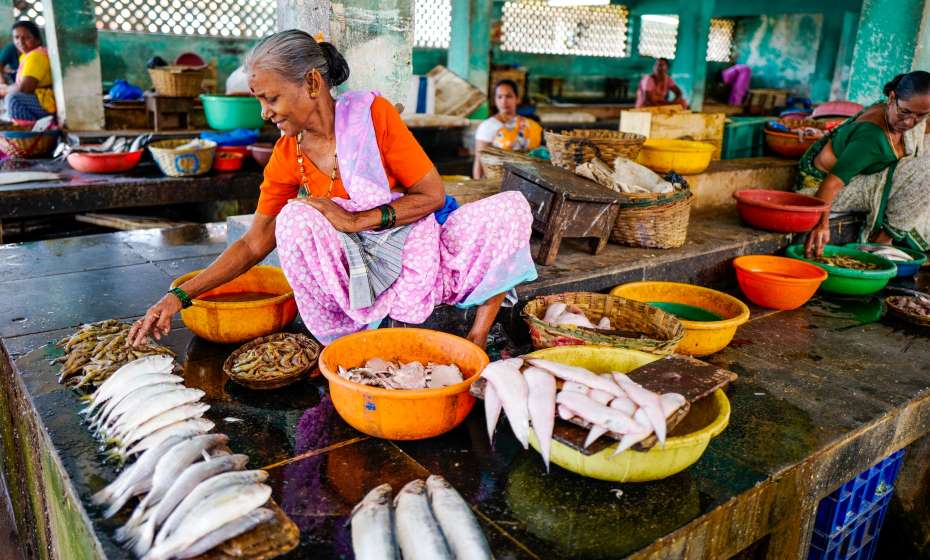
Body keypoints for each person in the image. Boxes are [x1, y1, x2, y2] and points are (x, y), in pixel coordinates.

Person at [129, 30, 537, 349]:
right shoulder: (289, 154)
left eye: (270, 98)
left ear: (311, 82)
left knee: (511, 209)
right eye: (259, 100)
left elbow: (430, 196)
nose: (264, 112)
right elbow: (254, 244)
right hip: (354, 268)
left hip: (414, 248)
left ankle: (477, 337)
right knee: (295, 218)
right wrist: (180, 296)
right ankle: (349, 336)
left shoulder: (372, 116)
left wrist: (359, 219)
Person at [799, 71, 930, 257]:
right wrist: (821, 225)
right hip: (822, 190)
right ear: (892, 97)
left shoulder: (892, 112)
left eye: (921, 115)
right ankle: (882, 239)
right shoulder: (872, 138)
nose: (909, 122)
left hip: (857, 176)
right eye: (905, 112)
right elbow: (831, 184)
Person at [472, 79, 542, 179]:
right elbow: (479, 160)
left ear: (517, 99)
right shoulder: (487, 126)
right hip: (497, 181)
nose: (504, 101)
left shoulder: (531, 125)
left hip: (529, 179)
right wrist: (478, 185)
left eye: (509, 96)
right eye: (499, 97)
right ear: (495, 100)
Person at [0, 21, 55, 124]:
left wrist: (5, 90)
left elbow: (25, 88)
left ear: (37, 40)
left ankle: (32, 133)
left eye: (26, 37)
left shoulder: (36, 56)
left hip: (46, 104)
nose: (20, 41)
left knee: (14, 99)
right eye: (16, 38)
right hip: (38, 101)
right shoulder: (26, 56)